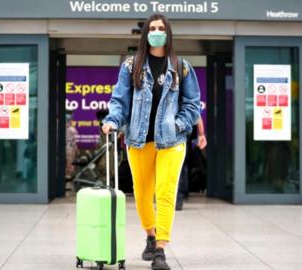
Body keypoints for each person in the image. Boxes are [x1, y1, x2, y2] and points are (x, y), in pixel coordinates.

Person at [101, 13, 201, 270]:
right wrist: (113, 120)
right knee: (143, 195)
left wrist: (177, 125)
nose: (157, 31)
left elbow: (192, 105)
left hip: (172, 141)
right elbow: (119, 100)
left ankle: (160, 250)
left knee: (165, 193)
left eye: (161, 28)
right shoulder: (130, 66)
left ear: (168, 33)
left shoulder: (182, 67)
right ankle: (150, 234)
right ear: (146, 34)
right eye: (152, 28)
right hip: (138, 140)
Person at [176, 117, 206, 211]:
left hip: (179, 131)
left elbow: (196, 114)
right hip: (181, 130)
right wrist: (201, 134)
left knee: (181, 164)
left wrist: (201, 134)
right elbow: (196, 113)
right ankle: (179, 197)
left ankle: (178, 197)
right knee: (182, 164)